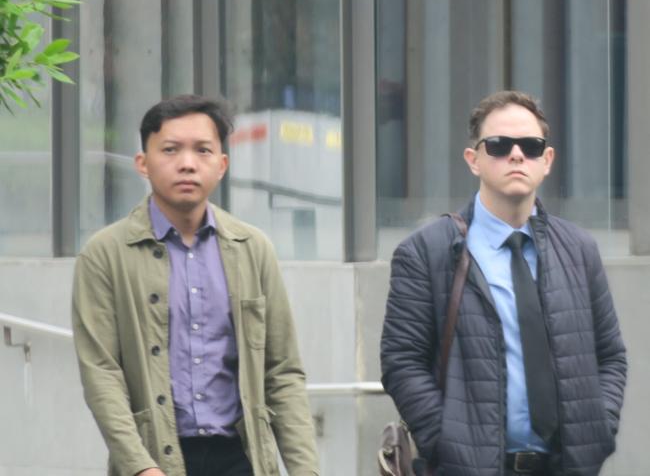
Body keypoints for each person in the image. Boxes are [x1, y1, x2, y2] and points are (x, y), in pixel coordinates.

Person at [380, 90, 627, 476]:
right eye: (498, 145)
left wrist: (599, 428)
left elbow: (610, 355)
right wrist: (446, 442)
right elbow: (402, 362)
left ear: (546, 161)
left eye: (530, 146)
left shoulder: (580, 250)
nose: (516, 155)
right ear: (473, 160)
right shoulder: (426, 253)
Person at [72, 94, 320, 476]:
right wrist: (140, 467)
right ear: (143, 163)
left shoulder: (252, 249)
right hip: (156, 456)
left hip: (241, 457)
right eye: (170, 150)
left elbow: (282, 372)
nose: (187, 163)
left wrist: (305, 469)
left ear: (221, 165)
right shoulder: (105, 254)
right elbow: (101, 374)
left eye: (203, 150)